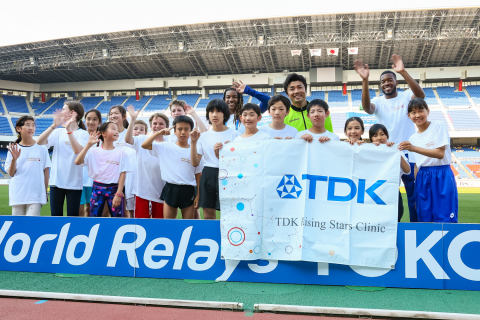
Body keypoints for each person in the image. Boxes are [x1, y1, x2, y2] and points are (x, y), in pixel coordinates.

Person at [354, 54, 425, 222]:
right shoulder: (378, 101)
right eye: (383, 81)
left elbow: (420, 95)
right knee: (388, 195)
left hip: (408, 153)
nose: (386, 83)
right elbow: (366, 108)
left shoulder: (406, 96)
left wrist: (402, 71)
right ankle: (390, 226)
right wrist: (365, 80)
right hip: (387, 155)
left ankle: (415, 228)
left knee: (414, 196)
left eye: (389, 80)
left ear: (396, 82)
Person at [398, 98, 458, 223]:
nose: (418, 115)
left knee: (445, 215)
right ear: (409, 116)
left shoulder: (438, 126)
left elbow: (440, 153)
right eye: (413, 112)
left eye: (421, 111)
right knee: (424, 216)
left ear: (428, 111)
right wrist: (416, 190)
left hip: (441, 174)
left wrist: (414, 148)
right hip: (422, 176)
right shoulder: (413, 138)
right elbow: (415, 166)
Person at [141, 115, 203, 219]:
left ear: (191, 131)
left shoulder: (195, 149)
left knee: (187, 224)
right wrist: (159, 132)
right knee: (169, 224)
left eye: (186, 129)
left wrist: (198, 195)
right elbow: (144, 145)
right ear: (174, 131)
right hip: (170, 188)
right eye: (179, 129)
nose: (183, 132)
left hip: (188, 189)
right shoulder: (165, 146)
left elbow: (198, 173)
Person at [37, 101, 89, 216]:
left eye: (63, 109)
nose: (61, 112)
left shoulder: (83, 134)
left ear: (72, 112)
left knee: (73, 216)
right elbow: (39, 142)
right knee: (55, 216)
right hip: (56, 182)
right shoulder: (58, 132)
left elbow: (77, 150)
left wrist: (69, 131)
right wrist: (53, 126)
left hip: (74, 183)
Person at [190, 99, 240, 219]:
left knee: (229, 214)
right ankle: (209, 238)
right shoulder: (203, 136)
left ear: (225, 114)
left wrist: (225, 152)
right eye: (211, 111)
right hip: (208, 174)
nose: (214, 114)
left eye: (218, 111)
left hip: (229, 174)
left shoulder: (235, 134)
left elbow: (239, 160)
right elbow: (195, 162)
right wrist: (193, 142)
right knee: (208, 215)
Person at [75, 123, 132, 217]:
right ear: (103, 134)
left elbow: (123, 173)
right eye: (113, 129)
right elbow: (77, 161)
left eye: (117, 130)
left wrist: (118, 194)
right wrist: (88, 145)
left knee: (117, 218)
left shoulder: (121, 152)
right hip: (97, 188)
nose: (117, 132)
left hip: (114, 190)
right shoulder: (93, 151)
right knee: (94, 217)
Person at [125, 107, 168, 219]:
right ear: (150, 125)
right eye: (154, 123)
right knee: (141, 223)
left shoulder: (169, 143)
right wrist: (133, 120)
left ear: (166, 126)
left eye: (161, 124)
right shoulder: (142, 138)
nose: (157, 126)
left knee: (159, 223)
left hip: (161, 191)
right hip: (141, 190)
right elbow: (128, 139)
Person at [5, 116, 51, 216]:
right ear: (18, 129)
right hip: (18, 193)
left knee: (32, 224)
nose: (31, 128)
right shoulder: (13, 148)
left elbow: (46, 171)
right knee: (18, 226)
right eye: (27, 125)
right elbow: (11, 173)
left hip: (36, 195)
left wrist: (45, 191)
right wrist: (14, 159)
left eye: (33, 125)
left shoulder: (42, 148)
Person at [369, 123, 411, 222]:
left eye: (382, 134)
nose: (379, 138)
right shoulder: (368, 151)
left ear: (387, 136)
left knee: (395, 220)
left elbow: (407, 170)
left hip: (393, 192)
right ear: (371, 140)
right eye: (375, 136)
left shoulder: (395, 150)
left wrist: (395, 152)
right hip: (374, 193)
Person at [107, 105, 137, 217]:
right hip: (112, 176)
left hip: (129, 176)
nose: (112, 116)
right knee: (114, 210)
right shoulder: (106, 135)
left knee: (129, 209)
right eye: (111, 113)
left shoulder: (130, 134)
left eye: (116, 113)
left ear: (124, 116)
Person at [79, 109, 102, 217]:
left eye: (94, 119)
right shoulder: (79, 136)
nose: (91, 122)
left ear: (100, 122)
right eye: (88, 119)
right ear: (84, 120)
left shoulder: (103, 139)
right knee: (79, 210)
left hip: (95, 180)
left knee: (90, 210)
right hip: (78, 178)